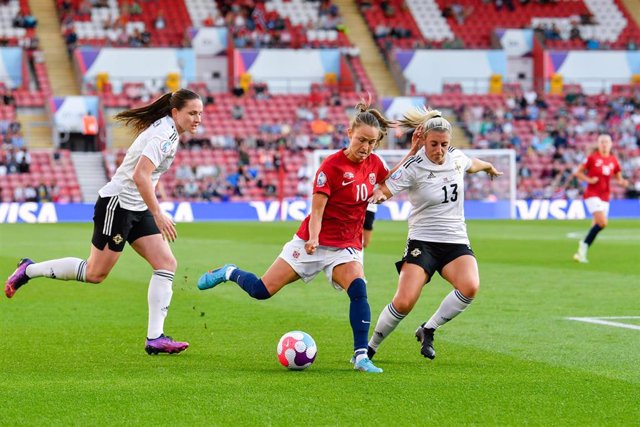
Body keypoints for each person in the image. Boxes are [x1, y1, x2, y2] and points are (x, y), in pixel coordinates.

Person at [197, 100, 398, 373]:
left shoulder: (374, 163)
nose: (366, 147)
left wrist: (396, 174)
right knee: (261, 291)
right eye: (361, 140)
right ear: (349, 132)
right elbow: (317, 210)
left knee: (359, 290)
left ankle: (361, 356)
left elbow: (391, 181)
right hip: (311, 243)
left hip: (346, 247)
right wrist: (313, 238)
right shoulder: (331, 167)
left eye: (372, 143)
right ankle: (229, 271)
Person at [5, 88, 203, 355]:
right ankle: (28, 270)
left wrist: (152, 204)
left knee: (166, 263)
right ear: (175, 112)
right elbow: (140, 176)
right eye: (192, 113)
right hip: (118, 205)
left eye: (200, 113)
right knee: (95, 273)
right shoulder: (163, 135)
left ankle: (155, 338)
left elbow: (148, 176)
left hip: (137, 206)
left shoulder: (170, 132)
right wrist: (158, 212)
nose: (197, 118)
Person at [365, 107, 502, 361]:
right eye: (434, 144)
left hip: (455, 240)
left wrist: (489, 167)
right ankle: (368, 348)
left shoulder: (457, 158)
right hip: (422, 242)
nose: (439, 150)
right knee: (404, 302)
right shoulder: (414, 166)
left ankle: (428, 329)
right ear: (424, 141)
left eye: (444, 144)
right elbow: (385, 188)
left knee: (470, 287)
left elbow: (474, 164)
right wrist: (380, 195)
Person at [572, 134, 628, 263]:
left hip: (605, 196)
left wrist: (623, 182)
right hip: (592, 194)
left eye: (607, 142)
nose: (604, 144)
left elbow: (619, 178)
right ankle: (583, 244)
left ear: (611, 144)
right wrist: (589, 180)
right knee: (603, 222)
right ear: (598, 144)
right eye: (602, 142)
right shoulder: (592, 158)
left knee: (597, 226)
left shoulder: (613, 160)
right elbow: (578, 172)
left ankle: (581, 252)